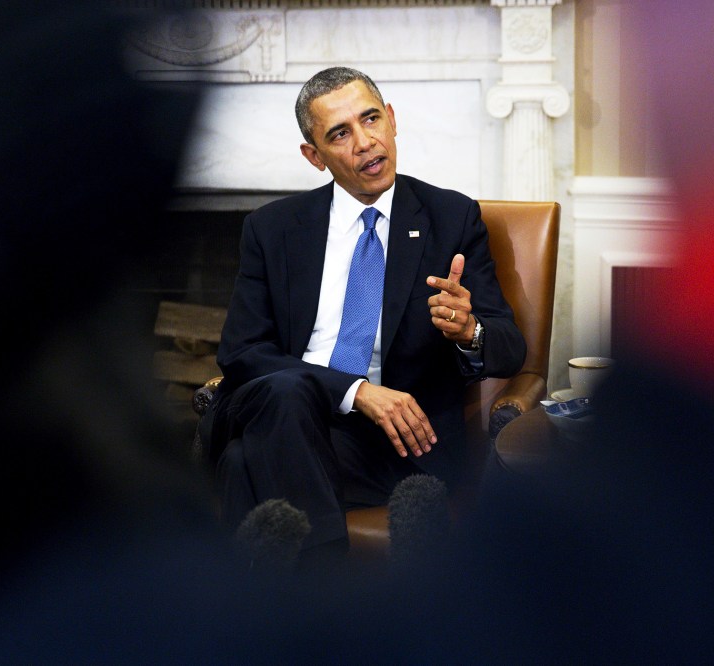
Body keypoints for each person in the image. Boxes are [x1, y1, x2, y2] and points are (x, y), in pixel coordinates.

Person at [200, 67, 526, 562]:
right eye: (339, 133)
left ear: (391, 120)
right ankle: (335, 607)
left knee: (243, 460)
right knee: (287, 395)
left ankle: (278, 621)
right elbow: (242, 353)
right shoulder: (272, 229)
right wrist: (355, 392)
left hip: (396, 445)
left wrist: (469, 330)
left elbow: (509, 346)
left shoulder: (450, 218)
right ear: (314, 157)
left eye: (371, 119)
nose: (365, 142)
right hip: (295, 412)